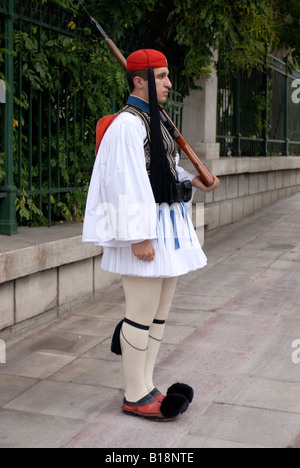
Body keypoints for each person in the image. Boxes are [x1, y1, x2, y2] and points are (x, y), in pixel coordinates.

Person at [83, 49, 220, 421]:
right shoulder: (127, 125)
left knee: (159, 313)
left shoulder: (153, 120)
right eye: (161, 76)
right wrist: (137, 236)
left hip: (165, 227)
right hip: (144, 232)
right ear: (138, 80)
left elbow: (163, 172)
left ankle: (147, 385)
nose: (169, 83)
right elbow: (122, 184)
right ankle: (135, 394)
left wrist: (192, 181)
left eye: (167, 75)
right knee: (140, 313)